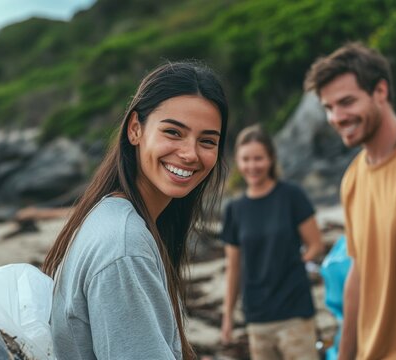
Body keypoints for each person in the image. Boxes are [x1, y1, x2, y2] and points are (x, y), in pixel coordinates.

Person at [42, 61, 228, 360]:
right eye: (173, 132)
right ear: (135, 129)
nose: (190, 153)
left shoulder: (109, 216)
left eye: (207, 141)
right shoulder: (126, 246)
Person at [304, 42, 396, 359]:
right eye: (328, 107)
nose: (337, 117)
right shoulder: (353, 179)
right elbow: (357, 276)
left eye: (346, 102)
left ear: (380, 91)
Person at [220, 125, 324, 359]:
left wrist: (292, 263)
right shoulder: (235, 210)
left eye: (258, 158)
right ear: (238, 161)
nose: (252, 166)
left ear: (271, 158)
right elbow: (233, 267)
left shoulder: (291, 196)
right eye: (246, 159)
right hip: (257, 316)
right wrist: (227, 317)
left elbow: (316, 245)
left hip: (295, 312)